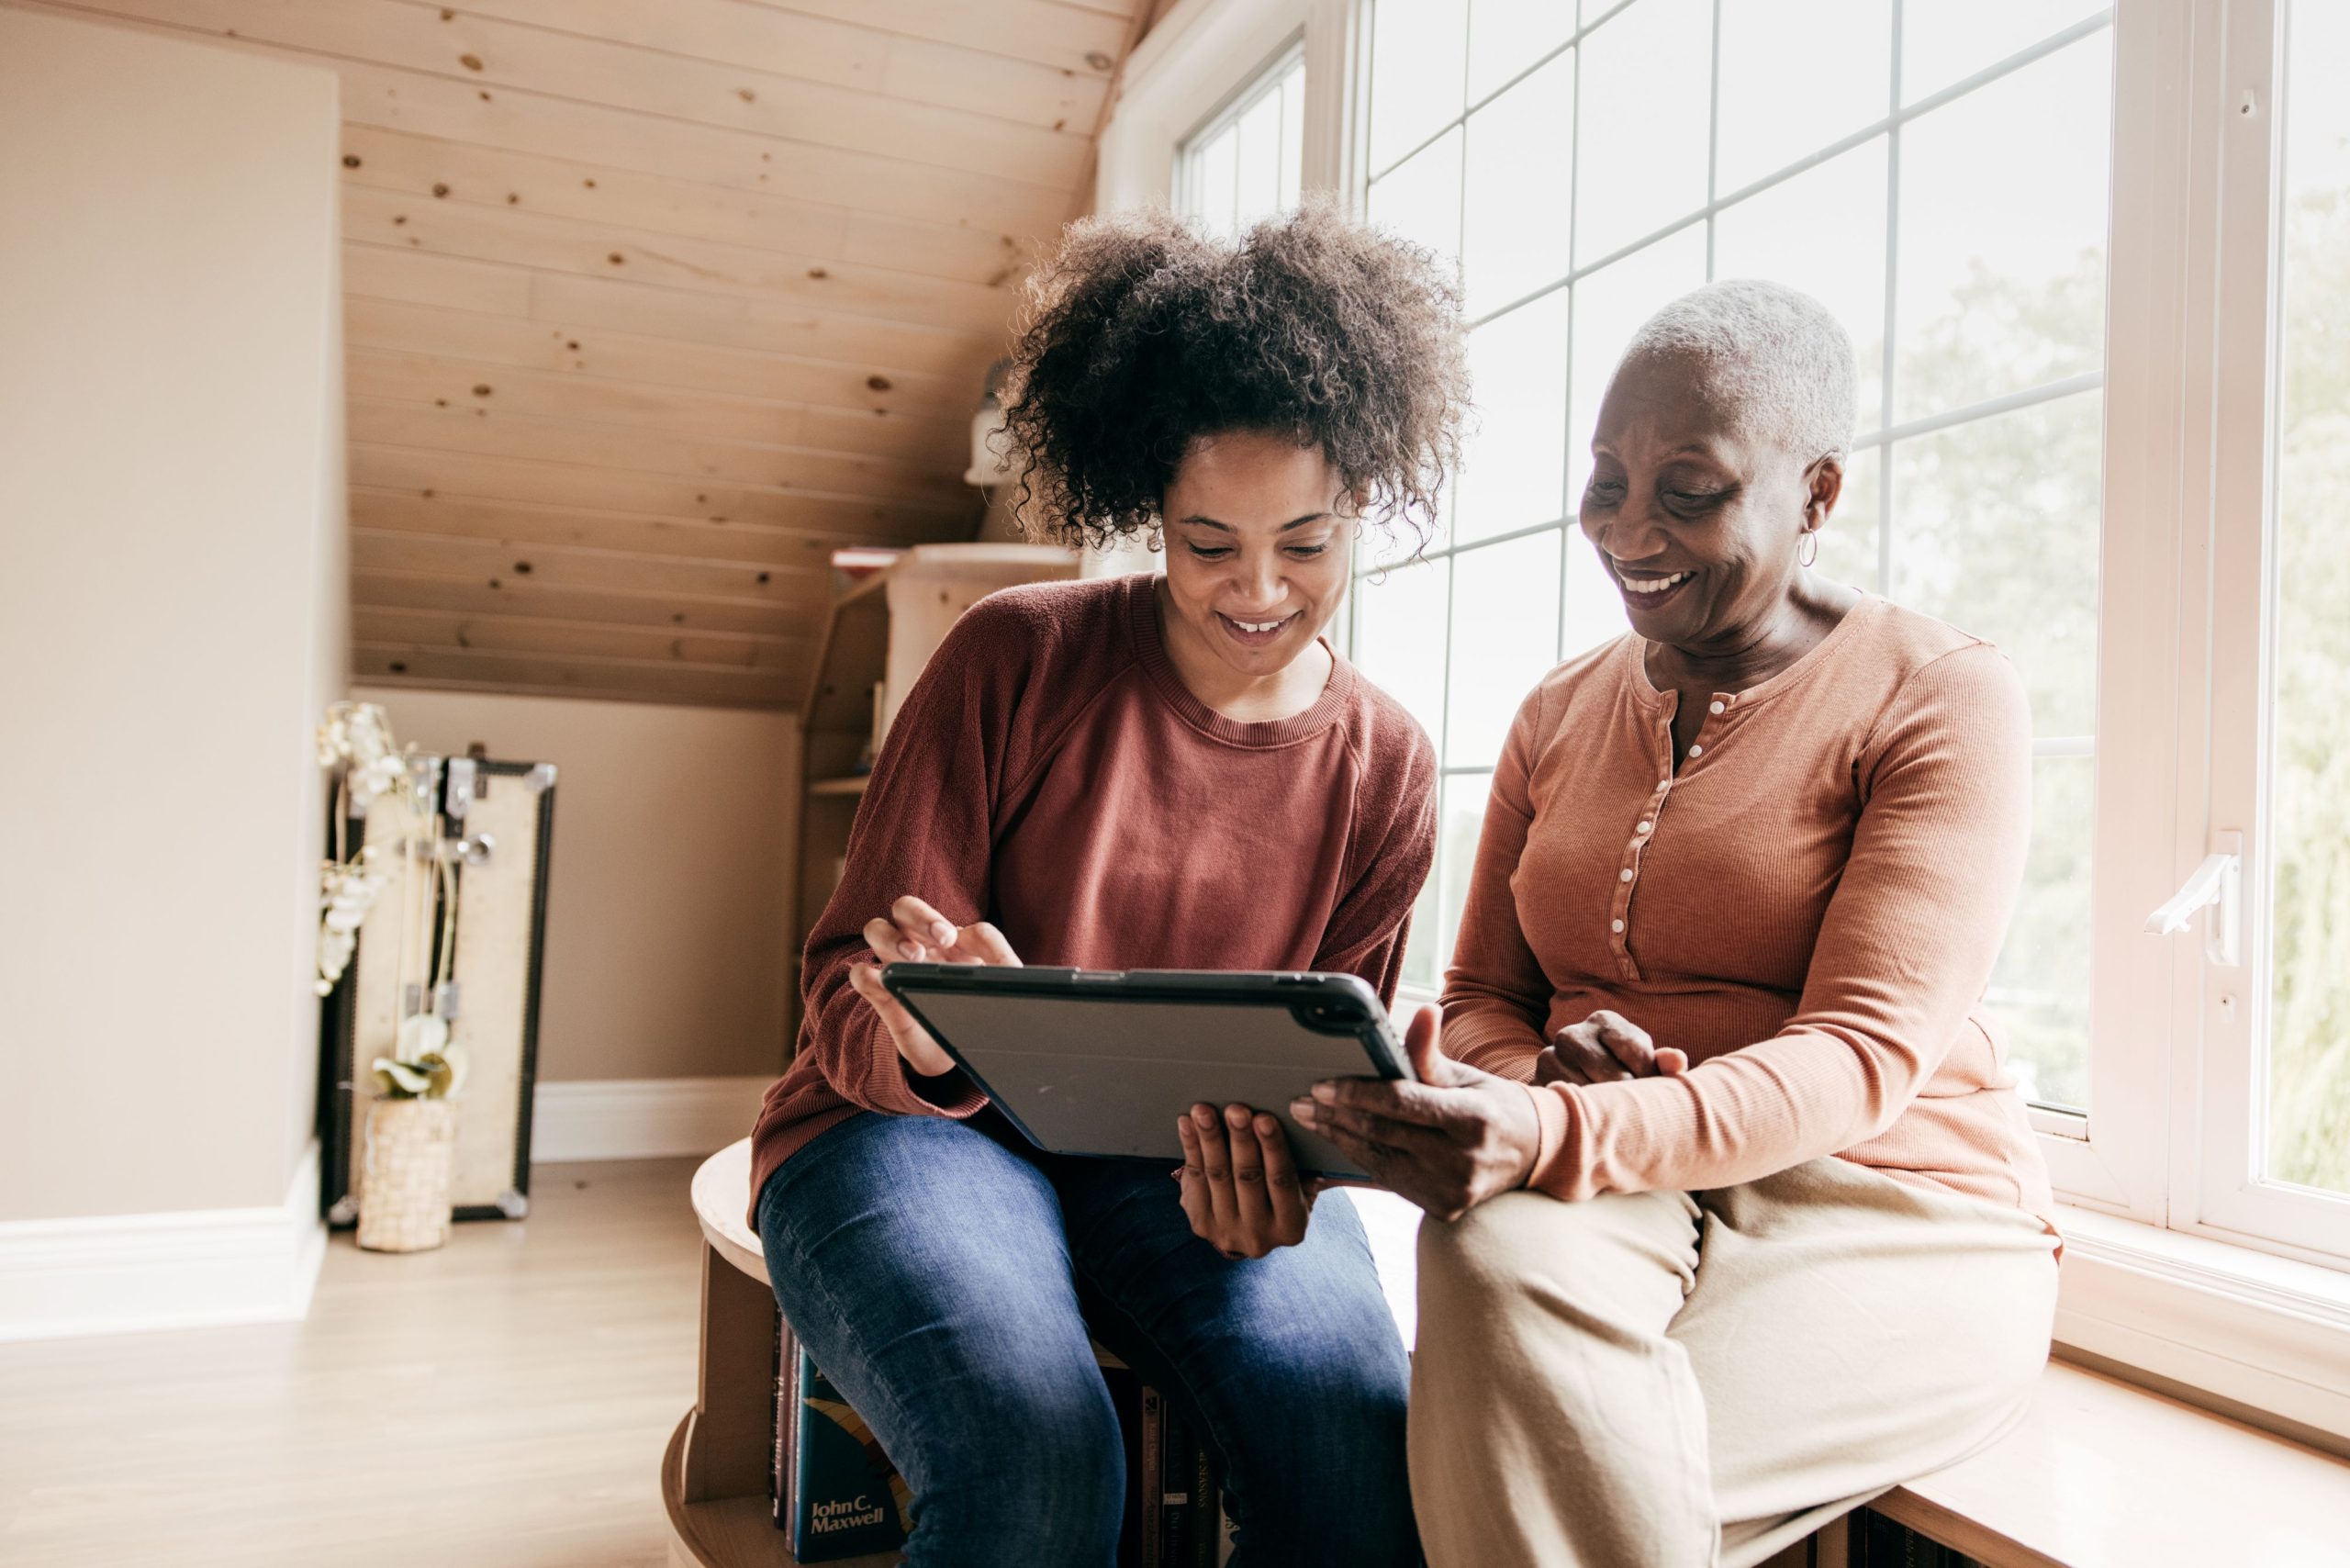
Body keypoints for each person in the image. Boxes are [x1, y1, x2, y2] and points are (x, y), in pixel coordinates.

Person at [744, 201, 1466, 1568]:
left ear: (1364, 505)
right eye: (1209, 544)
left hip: (1186, 1169)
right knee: (1034, 1455)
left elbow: (1329, 1067)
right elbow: (846, 986)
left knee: (1360, 1454)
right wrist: (926, 1031)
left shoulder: (1387, 765)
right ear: (1149, 508)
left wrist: (1302, 1169)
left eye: (1305, 545)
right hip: (912, 1139)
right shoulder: (1013, 657)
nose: (1258, 589)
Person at [1296, 280, 2060, 1568]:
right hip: (1628, 1187)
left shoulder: (1939, 697)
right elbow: (1484, 995)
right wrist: (1543, 1083)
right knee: (1483, 1261)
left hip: (1889, 1206)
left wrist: (1566, 1121)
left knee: (1550, 1470)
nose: (1628, 527)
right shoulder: (1555, 711)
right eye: (1606, 481)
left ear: (1815, 495)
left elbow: (1863, 1055)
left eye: (1689, 489)